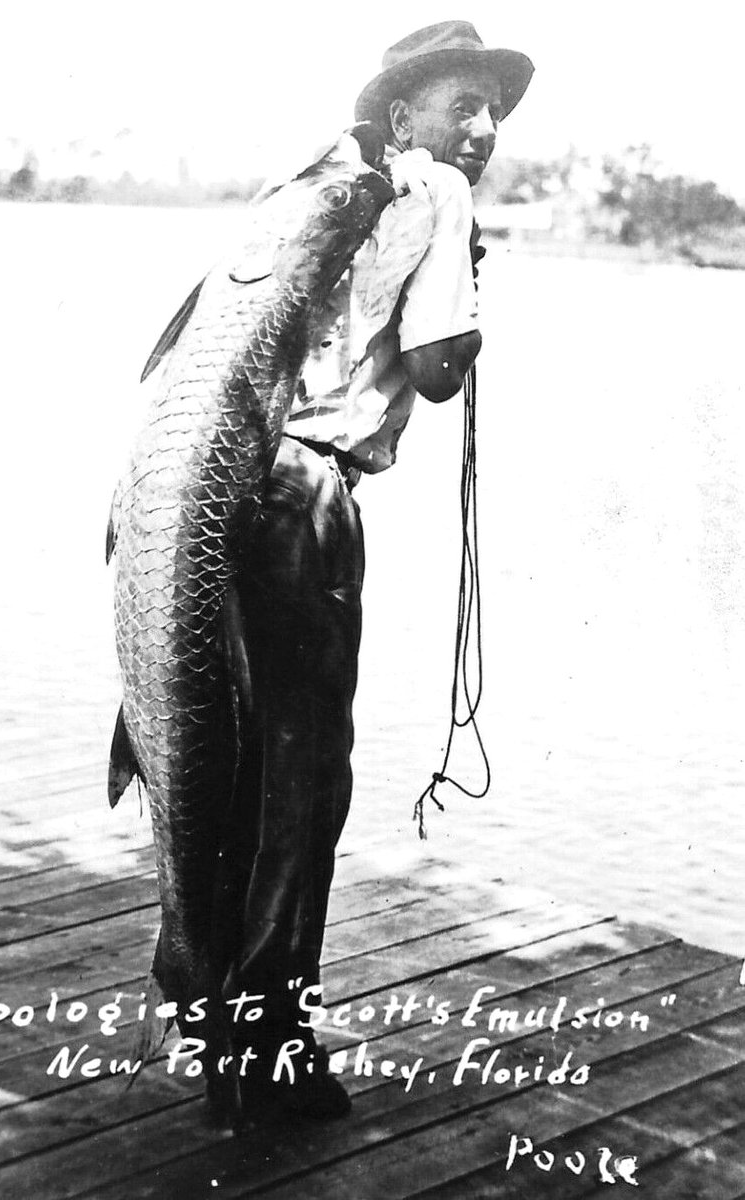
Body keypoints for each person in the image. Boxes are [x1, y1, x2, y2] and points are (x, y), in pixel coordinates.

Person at [208, 20, 534, 1127]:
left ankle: (217, 1021)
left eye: (491, 111)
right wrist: (469, 312)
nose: (480, 129)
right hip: (307, 498)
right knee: (304, 777)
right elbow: (438, 374)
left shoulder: (316, 184)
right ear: (404, 115)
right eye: (461, 106)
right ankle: (269, 1044)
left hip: (227, 486)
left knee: (233, 760)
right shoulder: (435, 192)